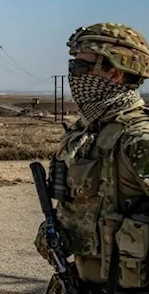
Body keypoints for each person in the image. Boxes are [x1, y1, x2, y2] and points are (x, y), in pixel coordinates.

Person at [34, 22, 149, 293]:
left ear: (116, 73)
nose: (73, 75)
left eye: (81, 67)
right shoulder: (90, 130)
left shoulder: (138, 137)